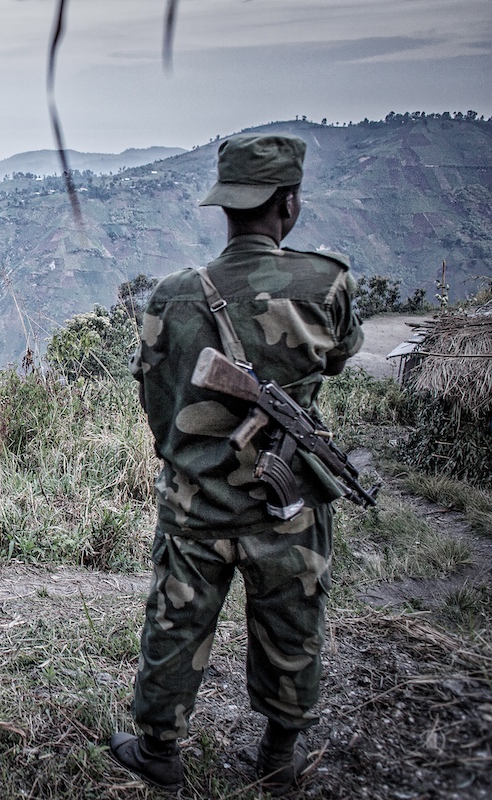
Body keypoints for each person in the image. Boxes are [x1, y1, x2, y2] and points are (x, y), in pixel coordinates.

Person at [110, 133, 364, 794]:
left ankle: (157, 750)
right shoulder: (326, 283)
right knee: (293, 625)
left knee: (176, 620)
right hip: (288, 507)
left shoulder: (171, 295)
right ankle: (279, 756)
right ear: (288, 203)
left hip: (195, 501)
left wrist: (190, 459)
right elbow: (339, 357)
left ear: (226, 206)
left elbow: (155, 394)